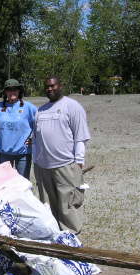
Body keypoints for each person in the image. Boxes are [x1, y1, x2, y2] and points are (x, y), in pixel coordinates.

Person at [33, 76, 91, 234]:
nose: (49, 89)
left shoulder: (72, 106)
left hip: (65, 165)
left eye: (53, 85)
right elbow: (36, 138)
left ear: (61, 85)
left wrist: (79, 161)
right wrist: (36, 161)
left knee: (68, 203)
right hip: (43, 166)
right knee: (49, 202)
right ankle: (55, 233)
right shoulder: (41, 110)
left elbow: (80, 136)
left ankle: (71, 234)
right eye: (47, 86)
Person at [0, 79, 37, 179]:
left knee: (22, 183)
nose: (12, 92)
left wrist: (34, 138)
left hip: (23, 153)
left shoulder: (29, 107)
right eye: (9, 89)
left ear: (19, 91)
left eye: (15, 89)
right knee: (5, 183)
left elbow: (40, 124)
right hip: (3, 153)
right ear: (5, 92)